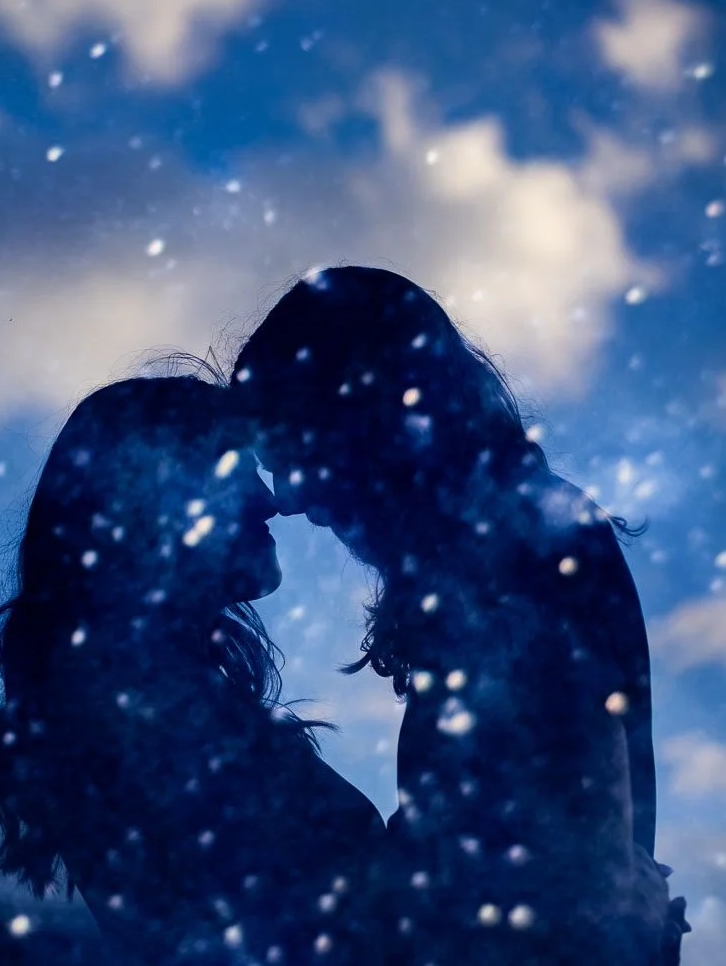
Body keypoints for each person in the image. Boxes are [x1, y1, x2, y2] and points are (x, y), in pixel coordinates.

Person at [227, 266, 687, 964]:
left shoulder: (522, 551)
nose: (286, 495)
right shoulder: (514, 540)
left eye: (291, 450)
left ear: (361, 420)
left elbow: (541, 881)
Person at [0, 375, 384, 965]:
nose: (270, 499)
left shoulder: (130, 696)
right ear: (154, 499)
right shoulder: (137, 709)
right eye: (233, 468)